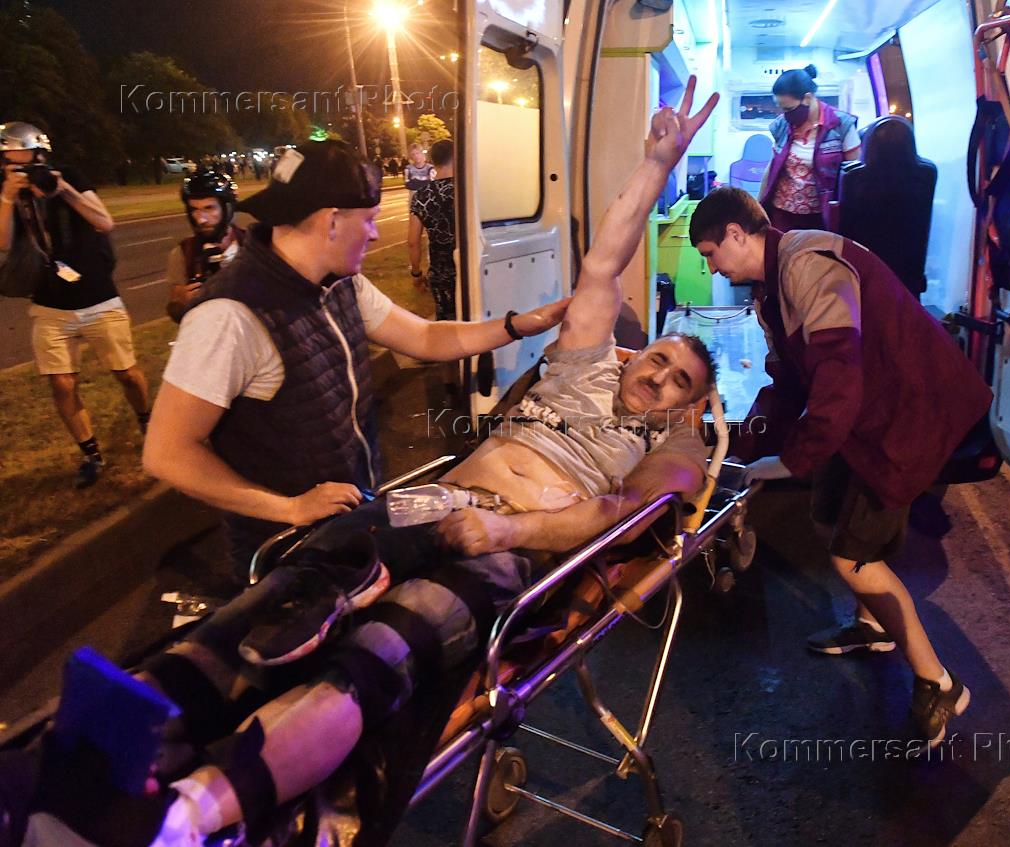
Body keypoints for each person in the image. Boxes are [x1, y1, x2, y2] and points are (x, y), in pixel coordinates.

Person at [15, 78, 721, 847]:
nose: (658, 375)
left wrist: (507, 532)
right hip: (430, 505)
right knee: (275, 604)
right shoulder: (584, 362)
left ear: (686, 405)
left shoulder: (662, 443)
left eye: (679, 381)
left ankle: (183, 818)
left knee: (374, 657)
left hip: (505, 546)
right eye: (657, 357)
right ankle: (67, 762)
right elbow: (605, 259)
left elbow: (621, 515)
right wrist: (656, 164)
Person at [142, 138, 571, 573]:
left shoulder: (338, 282)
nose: (375, 233)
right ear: (331, 221)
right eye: (369, 220)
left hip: (346, 526)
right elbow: (167, 453)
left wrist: (520, 325)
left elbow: (425, 337)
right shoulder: (229, 315)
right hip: (287, 552)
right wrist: (290, 508)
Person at [689, 186, 993, 746]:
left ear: (735, 233)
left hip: (908, 412)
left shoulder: (807, 264)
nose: (710, 266)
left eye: (710, 253)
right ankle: (873, 626)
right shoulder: (772, 288)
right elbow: (788, 384)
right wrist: (745, 448)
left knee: (852, 557)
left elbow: (837, 374)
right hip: (868, 414)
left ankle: (939, 683)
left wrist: (792, 460)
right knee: (828, 511)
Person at [0, 121, 151, 489]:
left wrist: (62, 190)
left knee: (126, 373)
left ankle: (147, 420)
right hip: (49, 302)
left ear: (42, 156)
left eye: (25, 161)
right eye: (9, 162)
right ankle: (90, 453)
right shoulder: (6, 190)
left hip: (98, 296)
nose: (19, 169)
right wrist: (7, 197)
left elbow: (104, 222)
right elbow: (2, 244)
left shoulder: (68, 176)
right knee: (62, 385)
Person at [758, 65, 860, 232]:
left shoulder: (841, 125)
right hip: (782, 213)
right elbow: (772, 168)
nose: (785, 114)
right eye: (782, 109)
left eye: (789, 109)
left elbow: (853, 177)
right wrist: (759, 206)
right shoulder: (782, 125)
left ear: (807, 98)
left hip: (821, 216)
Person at [165, 170, 245, 323]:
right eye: (195, 210)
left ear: (227, 208)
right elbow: (175, 308)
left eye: (209, 208)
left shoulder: (252, 245)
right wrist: (183, 301)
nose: (201, 219)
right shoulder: (184, 253)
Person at [407, 139, 456, 322]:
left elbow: (413, 241)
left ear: (433, 161)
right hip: (471, 265)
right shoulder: (469, 190)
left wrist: (416, 273)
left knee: (447, 323)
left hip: (441, 272)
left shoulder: (422, 196)